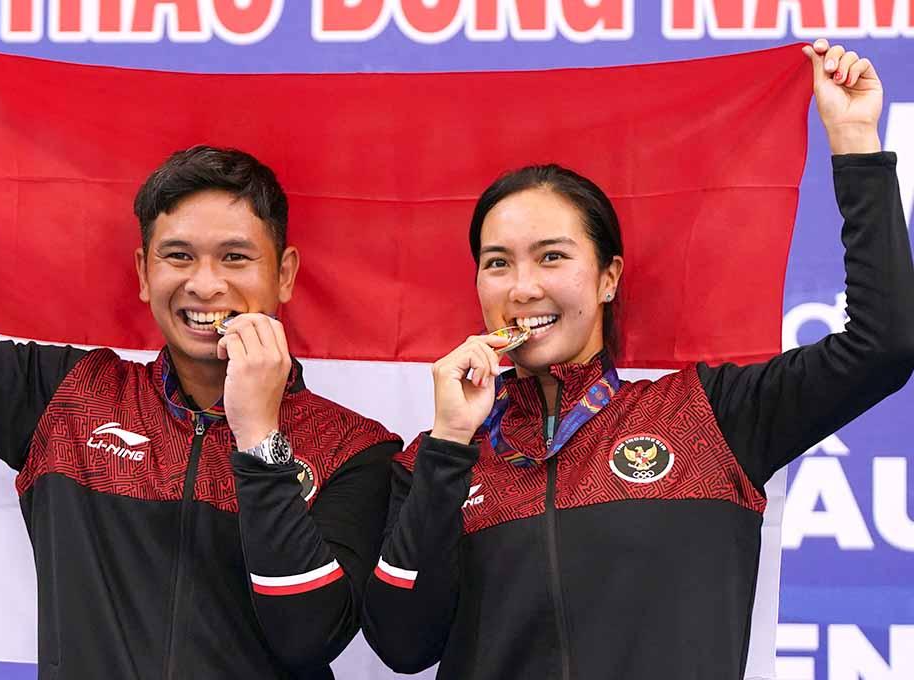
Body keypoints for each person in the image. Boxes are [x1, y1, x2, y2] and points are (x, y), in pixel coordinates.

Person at [0, 12, 401, 680]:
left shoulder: (354, 450)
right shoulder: (70, 400)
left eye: (235, 257)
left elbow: (309, 635)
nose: (206, 285)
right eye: (178, 257)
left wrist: (260, 440)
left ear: (283, 274)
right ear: (143, 275)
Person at [361, 39, 913, 680]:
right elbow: (402, 645)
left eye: (552, 256)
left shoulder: (709, 417)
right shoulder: (432, 461)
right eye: (496, 263)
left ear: (607, 278)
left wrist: (855, 144)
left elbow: (882, 345)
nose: (522, 287)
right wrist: (450, 447)